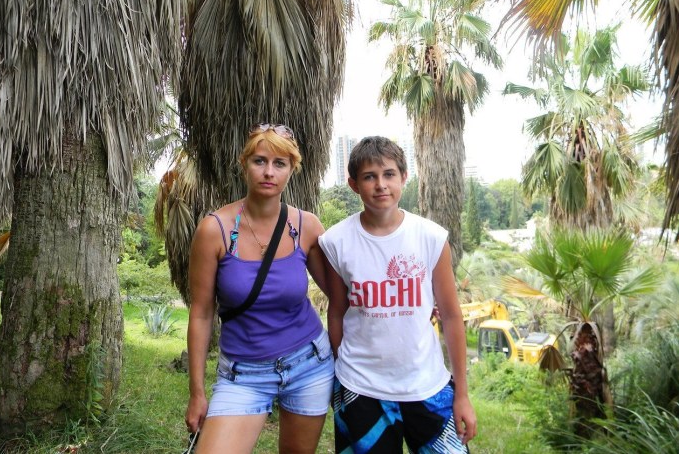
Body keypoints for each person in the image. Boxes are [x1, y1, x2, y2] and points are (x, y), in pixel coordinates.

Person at [319, 136, 477, 454]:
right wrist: (341, 375)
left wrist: (462, 394)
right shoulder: (336, 241)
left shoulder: (431, 237)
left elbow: (450, 315)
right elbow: (336, 311)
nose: (381, 184)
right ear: (353, 184)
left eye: (389, 174)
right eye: (369, 176)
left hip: (427, 385)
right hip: (360, 388)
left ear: (404, 177)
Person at [185, 123, 334, 454]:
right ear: (244, 165)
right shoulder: (214, 230)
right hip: (243, 374)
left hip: (309, 363)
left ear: (292, 170)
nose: (269, 172)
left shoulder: (306, 226)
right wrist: (197, 392)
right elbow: (202, 312)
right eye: (259, 161)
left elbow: (342, 296)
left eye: (280, 163)